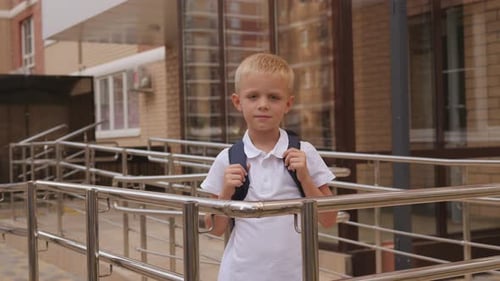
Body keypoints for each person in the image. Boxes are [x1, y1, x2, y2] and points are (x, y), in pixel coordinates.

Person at [201, 53, 337, 281]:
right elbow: (214, 229)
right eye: (253, 96)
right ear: (237, 102)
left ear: (288, 104)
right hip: (238, 275)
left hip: (295, 275)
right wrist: (225, 193)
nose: (263, 105)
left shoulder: (305, 153)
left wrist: (305, 179)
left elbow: (329, 219)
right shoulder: (227, 158)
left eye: (273, 97)